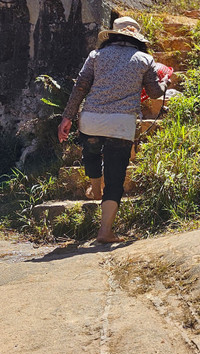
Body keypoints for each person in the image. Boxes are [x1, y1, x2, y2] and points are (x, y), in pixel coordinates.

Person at [58, 17, 173, 243]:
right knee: (115, 177)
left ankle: (94, 188)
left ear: (112, 35)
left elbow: (80, 87)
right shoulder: (144, 59)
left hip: (91, 118)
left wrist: (67, 117)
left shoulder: (96, 56)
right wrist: (166, 80)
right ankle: (105, 232)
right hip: (121, 123)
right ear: (136, 39)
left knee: (90, 152)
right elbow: (154, 94)